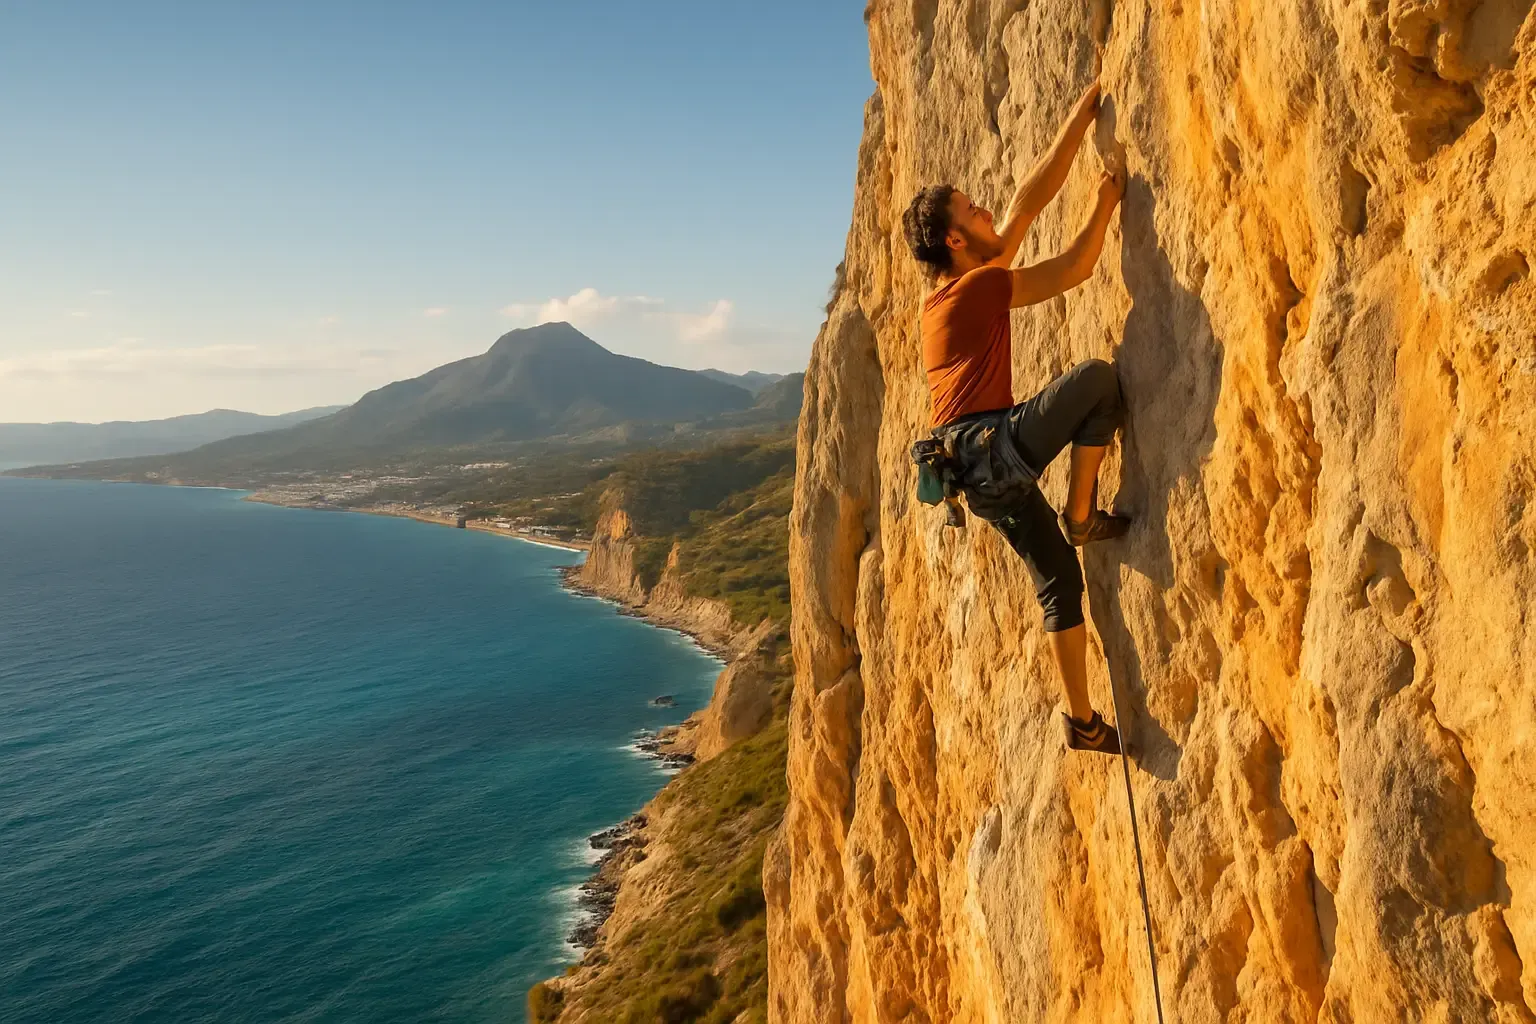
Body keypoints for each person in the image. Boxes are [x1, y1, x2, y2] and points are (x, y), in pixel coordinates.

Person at [902, 79, 1129, 756]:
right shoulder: (980, 288)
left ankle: (1083, 724)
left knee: (1059, 583)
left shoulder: (947, 296)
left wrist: (1077, 115)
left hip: (972, 472)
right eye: (975, 208)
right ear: (956, 237)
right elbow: (1075, 269)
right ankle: (1083, 513)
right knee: (1096, 381)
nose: (989, 207)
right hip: (992, 448)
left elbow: (1028, 201)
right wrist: (1105, 203)